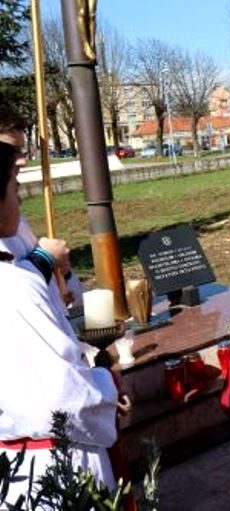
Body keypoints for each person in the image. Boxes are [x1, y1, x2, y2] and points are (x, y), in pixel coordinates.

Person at [0, 141, 119, 506]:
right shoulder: (12, 286)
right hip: (49, 464)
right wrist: (105, 386)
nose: (20, 202)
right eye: (15, 189)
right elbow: (63, 399)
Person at [0, 109, 83, 313]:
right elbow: (11, 289)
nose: (22, 160)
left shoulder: (15, 220)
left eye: (22, 150)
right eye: (12, 151)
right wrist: (45, 257)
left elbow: (59, 293)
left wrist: (62, 275)